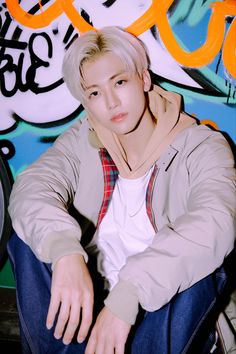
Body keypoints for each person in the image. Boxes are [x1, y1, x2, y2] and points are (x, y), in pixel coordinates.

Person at [7, 26, 235, 354]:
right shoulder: (81, 142)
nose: (111, 102)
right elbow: (32, 187)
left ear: (143, 79)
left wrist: (129, 294)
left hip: (160, 315)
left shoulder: (200, 147)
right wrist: (64, 250)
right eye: (95, 93)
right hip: (90, 310)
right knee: (30, 237)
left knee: (199, 263)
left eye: (119, 82)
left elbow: (217, 221)